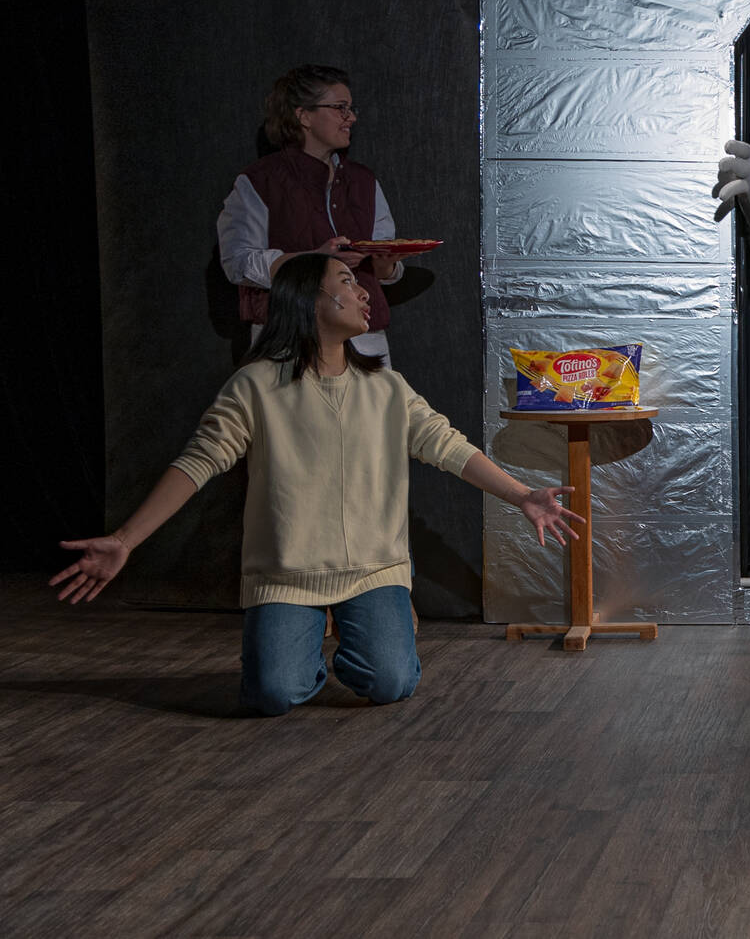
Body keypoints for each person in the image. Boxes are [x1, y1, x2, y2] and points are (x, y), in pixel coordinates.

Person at [51, 253, 582, 716]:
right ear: (308, 300)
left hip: (373, 569)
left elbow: (449, 446)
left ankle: (367, 635)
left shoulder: (386, 387)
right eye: (347, 281)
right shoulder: (255, 385)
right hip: (288, 573)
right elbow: (197, 463)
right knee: (272, 694)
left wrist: (522, 496)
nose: (363, 292)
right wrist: (124, 540)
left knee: (391, 683)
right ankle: (295, 652)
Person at [218, 65, 408, 363]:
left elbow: (385, 273)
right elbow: (238, 263)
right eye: (340, 108)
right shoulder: (260, 181)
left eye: (351, 108)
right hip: (292, 341)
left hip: (365, 342)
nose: (351, 117)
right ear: (303, 116)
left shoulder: (364, 181)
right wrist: (312, 260)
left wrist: (385, 263)